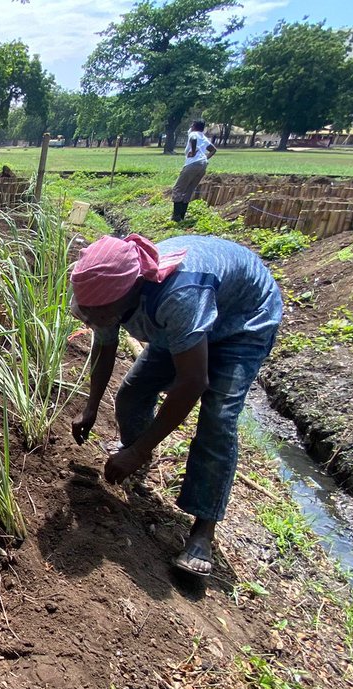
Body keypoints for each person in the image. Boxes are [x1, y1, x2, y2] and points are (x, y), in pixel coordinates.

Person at [68, 233, 282, 577]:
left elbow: (193, 383)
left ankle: (203, 531)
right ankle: (139, 453)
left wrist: (136, 451)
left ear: (128, 293)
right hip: (184, 323)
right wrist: (91, 406)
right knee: (133, 393)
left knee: (218, 419)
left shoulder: (179, 296)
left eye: (98, 313)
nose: (91, 317)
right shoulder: (99, 288)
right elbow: (104, 345)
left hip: (241, 320)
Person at [171, 119, 215, 222]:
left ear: (194, 126)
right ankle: (182, 216)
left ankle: (176, 216)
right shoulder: (203, 137)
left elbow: (193, 138)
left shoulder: (193, 134)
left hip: (192, 164)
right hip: (203, 165)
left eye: (192, 125)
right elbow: (213, 150)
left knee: (178, 188)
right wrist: (204, 158)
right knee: (189, 189)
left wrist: (194, 151)